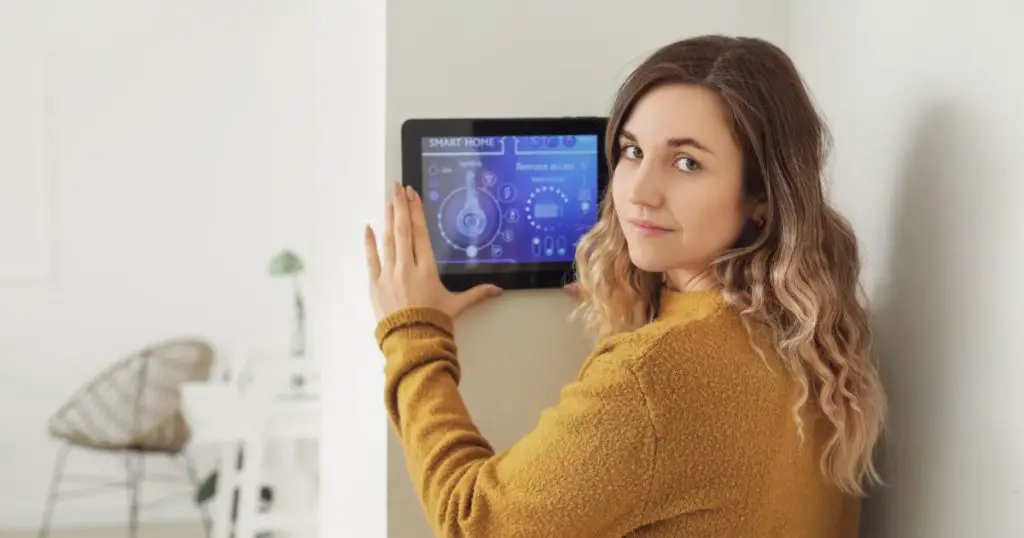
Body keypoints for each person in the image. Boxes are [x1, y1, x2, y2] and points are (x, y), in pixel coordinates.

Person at [363, 34, 886, 538]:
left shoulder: (652, 375)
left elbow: (473, 521)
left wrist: (414, 337)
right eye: (632, 151)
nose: (638, 191)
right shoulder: (812, 336)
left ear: (762, 198)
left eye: (687, 163)